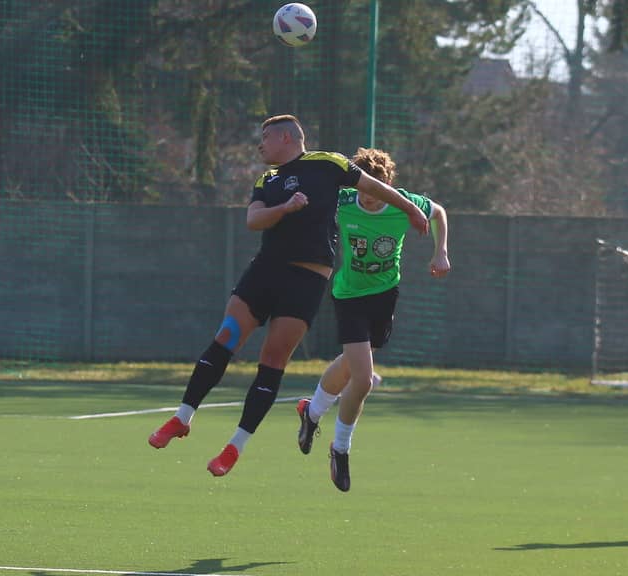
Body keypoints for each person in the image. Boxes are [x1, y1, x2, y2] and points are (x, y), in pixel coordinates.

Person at [147, 115, 429, 477]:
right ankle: (183, 417)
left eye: (265, 137)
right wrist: (284, 208)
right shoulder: (267, 179)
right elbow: (254, 220)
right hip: (265, 270)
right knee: (226, 337)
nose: (259, 145)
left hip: (306, 280)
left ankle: (235, 447)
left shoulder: (329, 163)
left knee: (273, 359)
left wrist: (412, 209)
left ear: (285, 137)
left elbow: (376, 186)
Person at [294, 147, 450, 492]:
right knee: (362, 379)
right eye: (363, 187)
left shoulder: (404, 204)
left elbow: (438, 212)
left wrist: (440, 251)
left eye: (375, 189)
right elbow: (310, 199)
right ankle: (340, 450)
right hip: (349, 295)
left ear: (387, 185)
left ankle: (311, 412)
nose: (368, 196)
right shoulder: (344, 201)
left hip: (384, 295)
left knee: (350, 366)